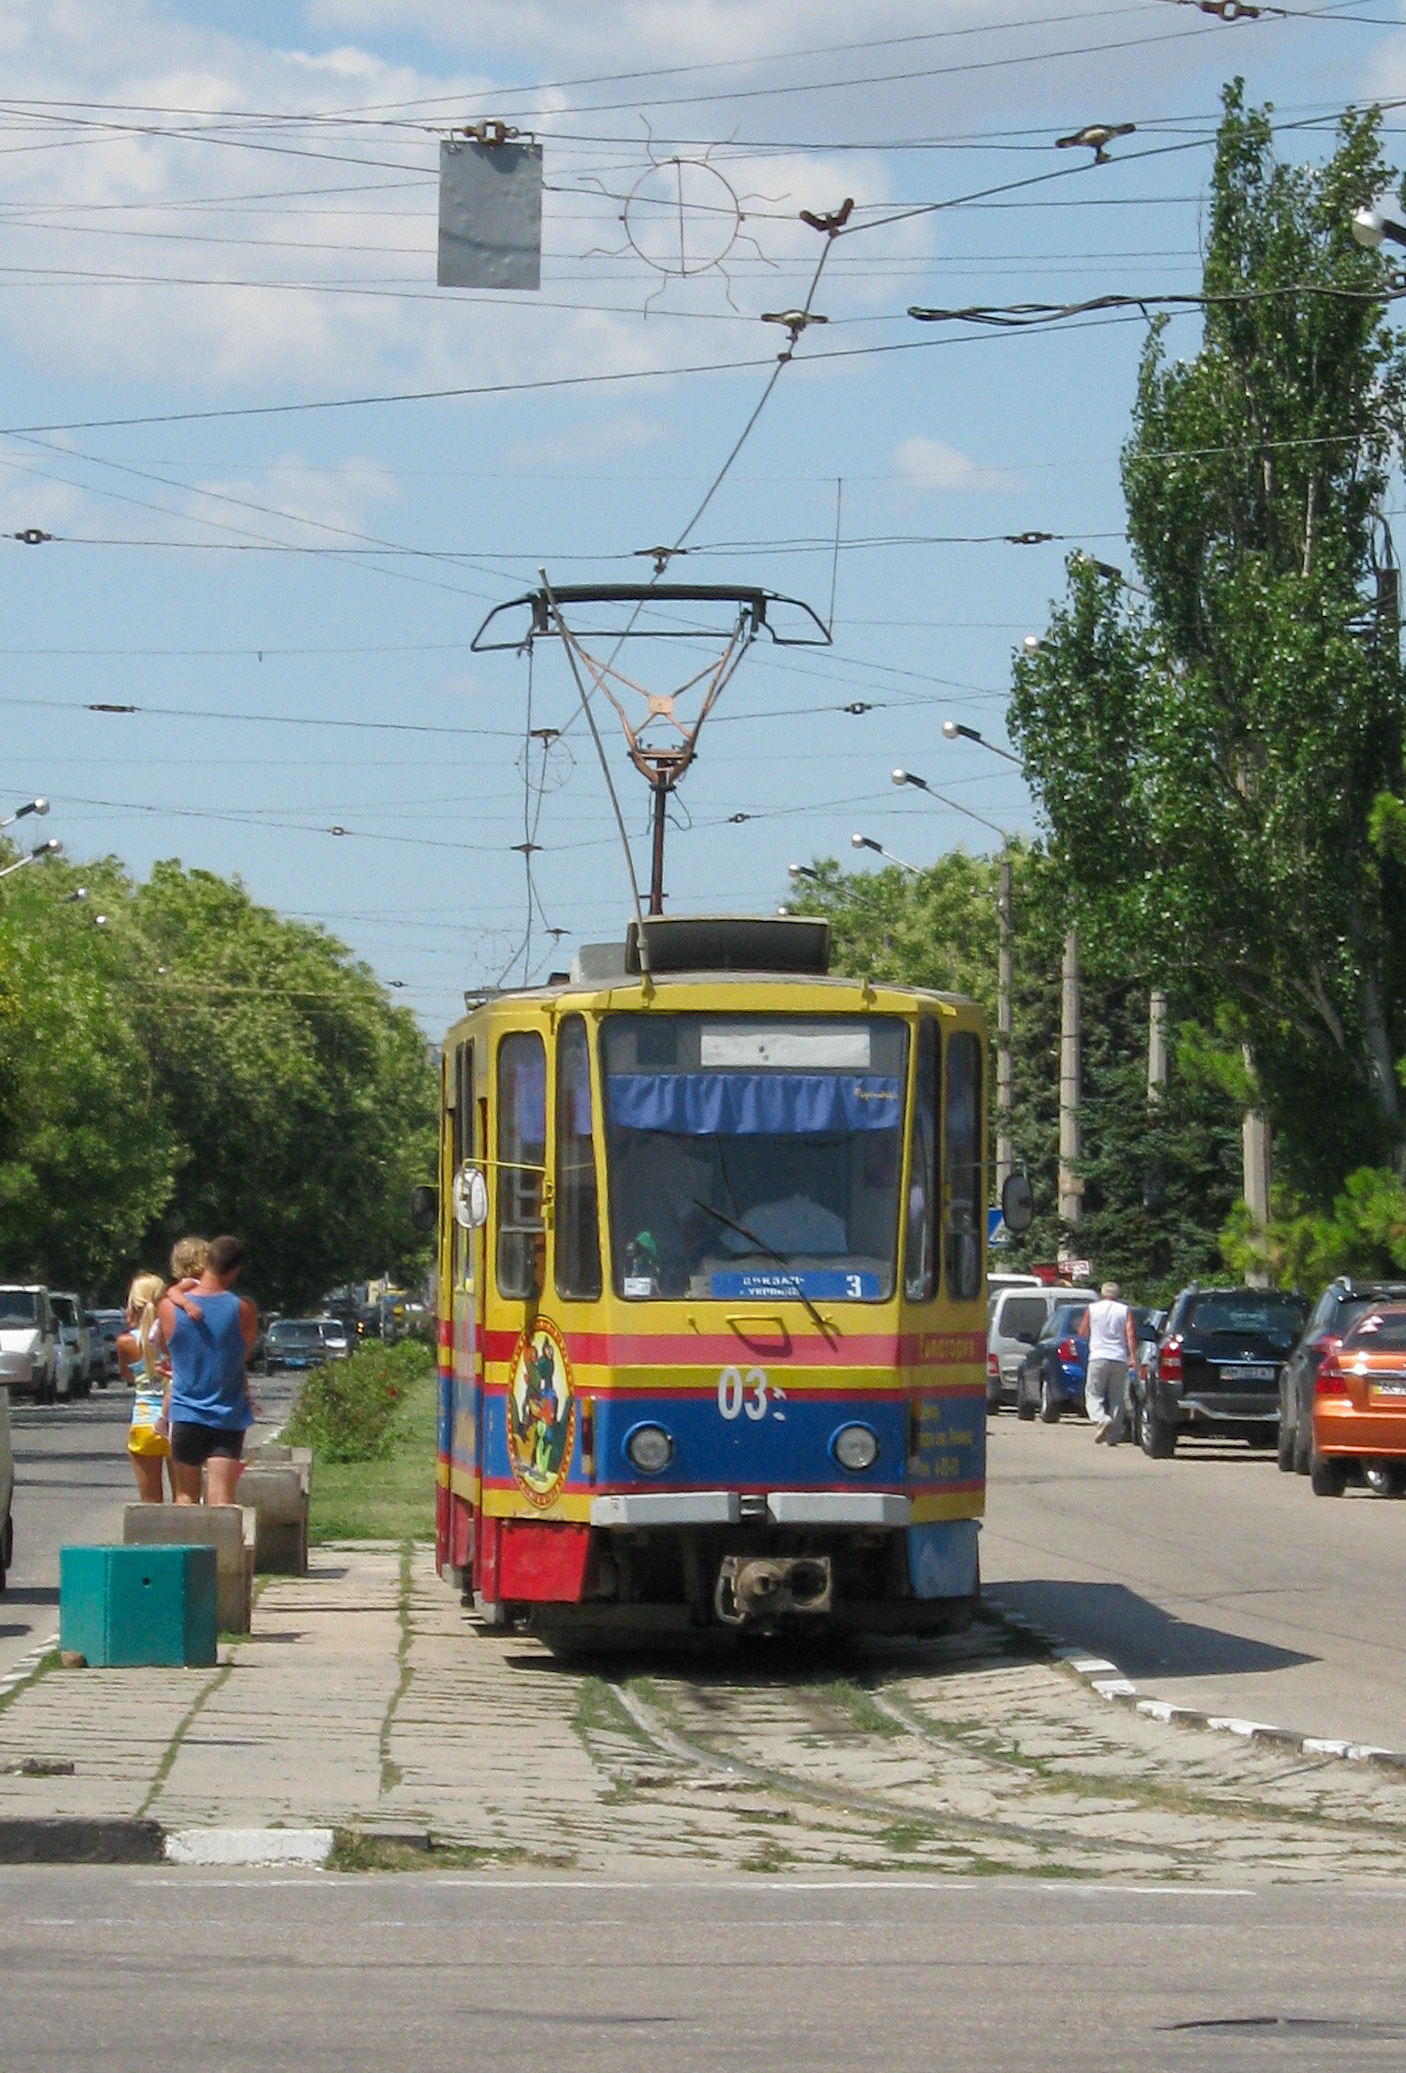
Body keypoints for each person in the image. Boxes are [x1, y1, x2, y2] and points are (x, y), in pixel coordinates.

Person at [158, 1234, 259, 1506]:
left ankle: (188, 1548)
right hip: (227, 1415)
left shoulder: (168, 1308)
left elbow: (167, 1350)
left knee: (185, 1495)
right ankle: (222, 1548)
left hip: (186, 1413)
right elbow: (243, 1355)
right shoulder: (243, 1309)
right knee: (222, 1497)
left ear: (207, 1260)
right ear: (235, 1269)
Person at [116, 1272, 171, 1502]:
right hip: (175, 1422)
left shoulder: (126, 1342)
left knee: (151, 1506)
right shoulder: (172, 1336)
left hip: (144, 1422)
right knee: (185, 1500)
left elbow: (127, 1375)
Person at [1080, 1281, 1137, 1445]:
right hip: (1119, 1357)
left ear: (1102, 1294)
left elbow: (1083, 1332)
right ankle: (1113, 1438)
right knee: (1117, 1398)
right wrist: (1132, 1357)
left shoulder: (1092, 1309)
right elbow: (1130, 1333)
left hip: (1098, 1356)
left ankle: (1100, 1418)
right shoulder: (1125, 1310)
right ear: (1117, 1295)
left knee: (1093, 1393)